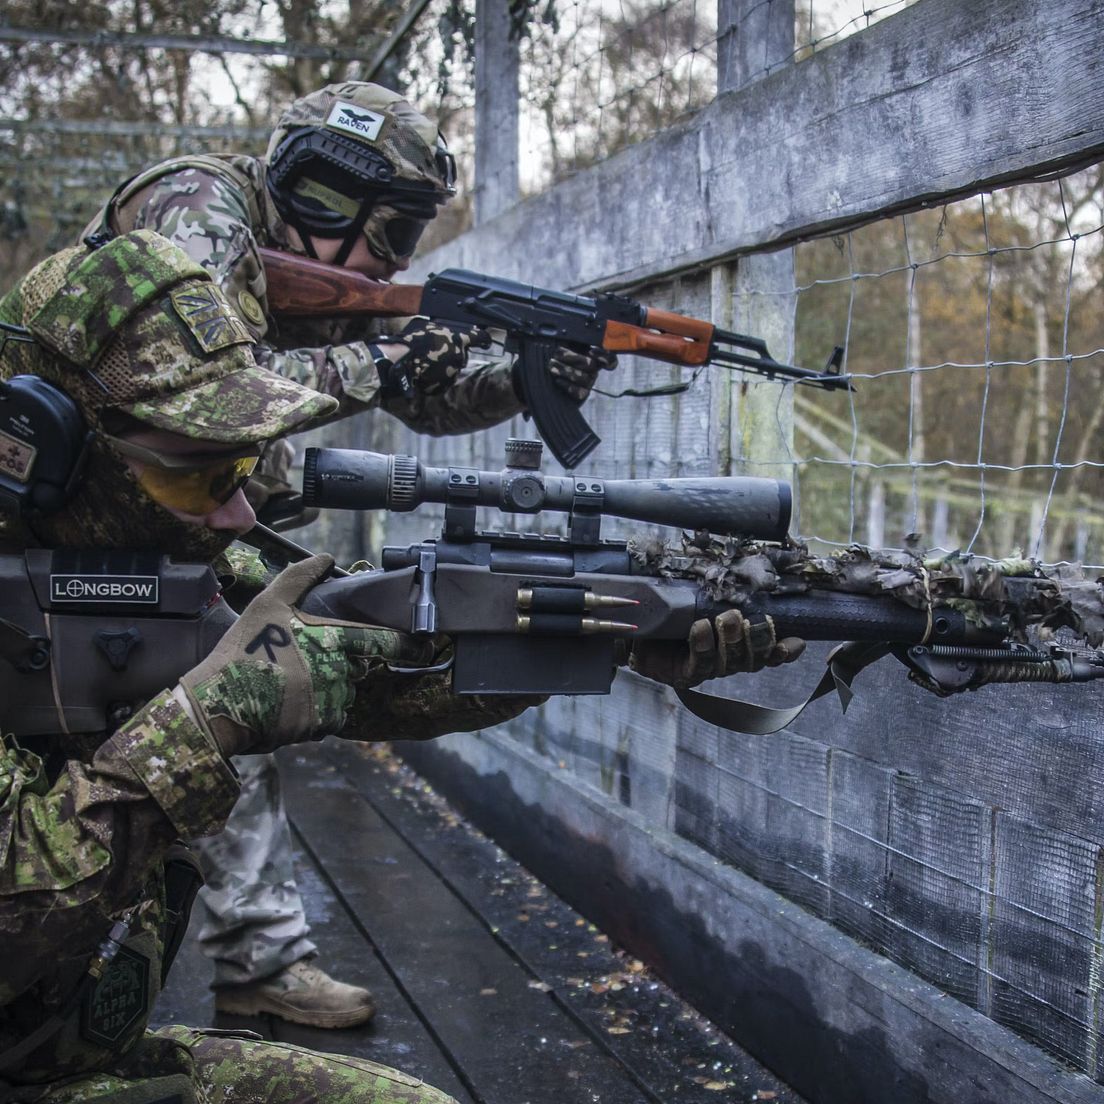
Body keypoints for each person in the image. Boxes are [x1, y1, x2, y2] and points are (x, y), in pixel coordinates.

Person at [0, 230, 799, 1100]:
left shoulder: (161, 559)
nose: (234, 515)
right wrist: (202, 726)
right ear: (36, 449)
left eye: (241, 469)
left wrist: (591, 639)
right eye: (197, 475)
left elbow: (371, 672)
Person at [80, 81, 617, 1030]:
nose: (393, 258)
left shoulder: (317, 268)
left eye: (407, 235)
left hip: (184, 520)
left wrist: (516, 383)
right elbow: (201, 384)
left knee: (231, 710)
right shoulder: (196, 208)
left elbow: (419, 395)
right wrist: (391, 359)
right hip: (82, 515)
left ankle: (258, 963)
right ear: (326, 189)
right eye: (391, 228)